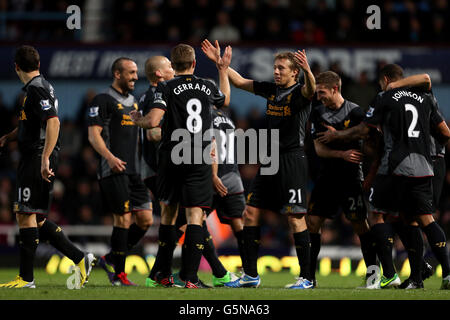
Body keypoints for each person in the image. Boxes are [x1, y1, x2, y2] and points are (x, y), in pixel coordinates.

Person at [317, 64, 450, 289]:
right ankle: (437, 274)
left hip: (397, 164)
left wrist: (337, 135)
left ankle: (392, 274)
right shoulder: (425, 95)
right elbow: (445, 133)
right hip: (429, 165)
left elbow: (364, 131)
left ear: (386, 81)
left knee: (378, 214)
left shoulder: (385, 96)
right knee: (419, 218)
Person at [202, 39, 316, 289]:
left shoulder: (300, 93)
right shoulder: (271, 90)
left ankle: (307, 277)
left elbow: (310, 91)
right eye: (275, 67)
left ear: (294, 72)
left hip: (292, 158)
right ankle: (251, 275)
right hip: (270, 160)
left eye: (281, 68)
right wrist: (221, 66)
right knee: (250, 212)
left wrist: (308, 72)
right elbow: (240, 81)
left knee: (295, 218)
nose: (276, 72)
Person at [131, 43, 231, 288]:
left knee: (168, 214)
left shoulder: (165, 86)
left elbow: (153, 120)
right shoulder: (207, 85)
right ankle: (190, 278)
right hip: (198, 156)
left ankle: (163, 275)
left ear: (173, 67)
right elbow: (225, 100)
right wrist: (223, 69)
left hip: (171, 156)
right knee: (195, 215)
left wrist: (138, 120)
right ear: (194, 64)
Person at [0, 45, 95, 289]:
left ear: (16, 67)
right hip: (35, 155)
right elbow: (29, 126)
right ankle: (80, 257)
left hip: (36, 157)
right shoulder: (39, 87)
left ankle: (26, 279)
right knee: (37, 219)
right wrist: (8, 137)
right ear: (39, 65)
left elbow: (53, 122)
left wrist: (45, 157)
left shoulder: (37, 89)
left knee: (25, 213)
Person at [306, 71, 381, 288]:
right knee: (313, 222)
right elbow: (319, 148)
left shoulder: (356, 112)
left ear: (335, 89)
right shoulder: (318, 112)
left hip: (350, 176)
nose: (318, 97)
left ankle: (373, 277)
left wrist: (343, 138)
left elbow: (366, 139)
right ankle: (309, 277)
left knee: (360, 224)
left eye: (322, 92)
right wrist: (341, 153)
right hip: (327, 176)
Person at [89, 57, 153, 286]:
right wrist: (110, 158)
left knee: (145, 220)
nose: (136, 77)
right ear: (117, 74)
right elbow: (93, 135)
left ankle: (110, 258)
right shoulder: (103, 100)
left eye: (136, 72)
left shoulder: (134, 102)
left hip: (135, 171)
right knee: (123, 219)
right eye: (131, 72)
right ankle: (119, 275)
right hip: (113, 168)